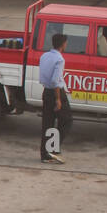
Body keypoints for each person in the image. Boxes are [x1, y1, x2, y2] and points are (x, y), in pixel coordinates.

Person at [39, 32, 72, 164]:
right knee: (66, 120)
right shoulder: (59, 59)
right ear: (63, 44)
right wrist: (58, 99)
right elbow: (55, 80)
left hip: (46, 92)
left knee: (47, 123)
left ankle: (45, 154)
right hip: (56, 93)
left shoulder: (44, 56)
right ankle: (53, 149)